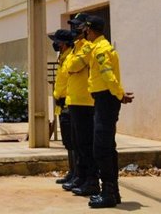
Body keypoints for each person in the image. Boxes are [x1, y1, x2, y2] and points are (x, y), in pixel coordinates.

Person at [81, 15, 134, 208]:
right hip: (105, 99)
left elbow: (107, 75)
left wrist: (119, 94)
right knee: (107, 146)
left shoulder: (101, 49)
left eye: (85, 29)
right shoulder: (99, 47)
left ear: (89, 29)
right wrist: (118, 94)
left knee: (101, 148)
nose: (84, 32)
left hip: (106, 99)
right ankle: (113, 192)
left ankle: (109, 193)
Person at [61, 13, 99, 196]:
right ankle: (81, 176)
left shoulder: (88, 47)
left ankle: (91, 181)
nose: (75, 29)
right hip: (74, 100)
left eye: (79, 26)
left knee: (86, 144)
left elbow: (73, 66)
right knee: (77, 144)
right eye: (74, 26)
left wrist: (74, 66)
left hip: (85, 101)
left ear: (86, 28)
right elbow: (68, 67)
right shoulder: (76, 47)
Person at [49, 28, 76, 184]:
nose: (55, 44)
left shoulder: (71, 58)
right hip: (62, 103)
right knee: (67, 141)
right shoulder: (63, 58)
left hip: (69, 103)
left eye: (57, 42)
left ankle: (77, 174)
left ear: (64, 43)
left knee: (73, 141)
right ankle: (72, 172)